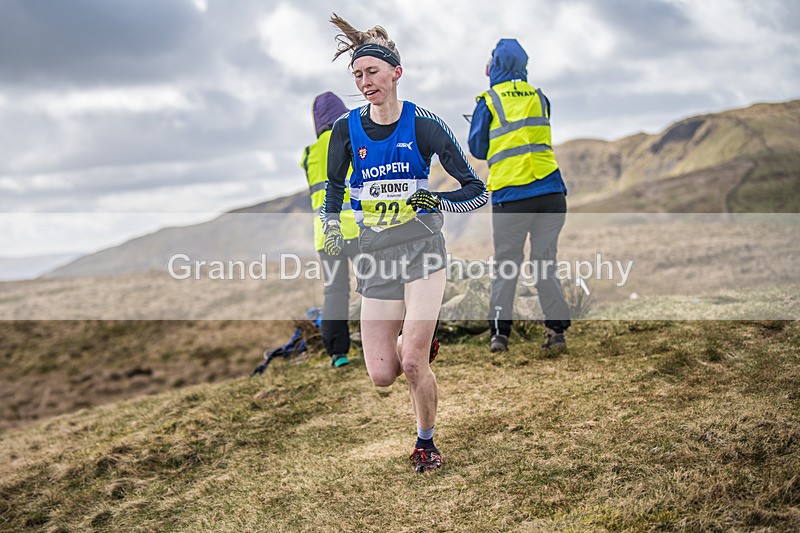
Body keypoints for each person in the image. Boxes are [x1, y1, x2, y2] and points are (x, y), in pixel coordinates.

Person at [322, 14, 488, 473]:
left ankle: (426, 442)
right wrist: (332, 225)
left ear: (396, 72)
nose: (364, 82)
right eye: (357, 75)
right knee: (381, 375)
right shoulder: (344, 130)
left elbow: (477, 189)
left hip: (422, 248)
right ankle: (417, 337)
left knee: (413, 363)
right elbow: (334, 189)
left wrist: (432, 197)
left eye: (372, 72)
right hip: (375, 254)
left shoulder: (425, 125)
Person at [467, 39, 571, 354]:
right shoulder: (540, 98)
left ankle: (500, 337)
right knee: (544, 263)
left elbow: (477, 148)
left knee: (506, 265)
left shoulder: (488, 101)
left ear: (494, 65)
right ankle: (556, 333)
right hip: (551, 192)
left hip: (511, 196)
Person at [302, 92, 361, 368]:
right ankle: (389, 339)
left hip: (326, 234)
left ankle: (338, 353)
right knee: (376, 284)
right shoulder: (352, 139)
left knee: (335, 291)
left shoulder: (308, 155)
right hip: (358, 227)